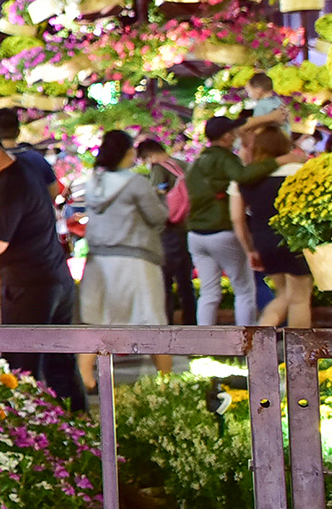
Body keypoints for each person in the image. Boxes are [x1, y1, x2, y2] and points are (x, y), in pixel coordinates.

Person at [0, 132, 85, 410]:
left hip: (29, 285)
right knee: (59, 362)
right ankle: (77, 430)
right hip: (55, 276)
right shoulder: (30, 163)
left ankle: (29, 435)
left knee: (22, 369)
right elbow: (53, 193)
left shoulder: (9, 185)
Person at [76, 130, 173, 389]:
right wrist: (161, 199)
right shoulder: (136, 183)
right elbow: (158, 217)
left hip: (99, 261)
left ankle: (85, 376)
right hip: (136, 259)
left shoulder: (93, 182)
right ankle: (167, 381)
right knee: (152, 320)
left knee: (96, 320)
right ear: (126, 152)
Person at [185, 115, 299, 326]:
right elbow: (243, 177)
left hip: (196, 234)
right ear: (227, 136)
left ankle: (203, 346)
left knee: (209, 293)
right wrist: (277, 161)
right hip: (222, 231)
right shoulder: (224, 158)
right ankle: (245, 344)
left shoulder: (198, 162)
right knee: (245, 290)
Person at [234, 124, 312, 329]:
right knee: (299, 299)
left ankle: (261, 341)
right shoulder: (300, 172)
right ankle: (296, 356)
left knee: (284, 294)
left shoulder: (246, 179)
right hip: (296, 239)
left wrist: (250, 249)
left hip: (263, 240)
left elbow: (237, 219)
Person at [136, 138, 195, 325]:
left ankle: (167, 327)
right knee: (186, 283)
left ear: (150, 155)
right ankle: (191, 324)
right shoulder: (184, 165)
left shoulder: (159, 168)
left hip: (168, 230)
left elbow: (153, 197)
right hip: (187, 227)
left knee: (165, 284)